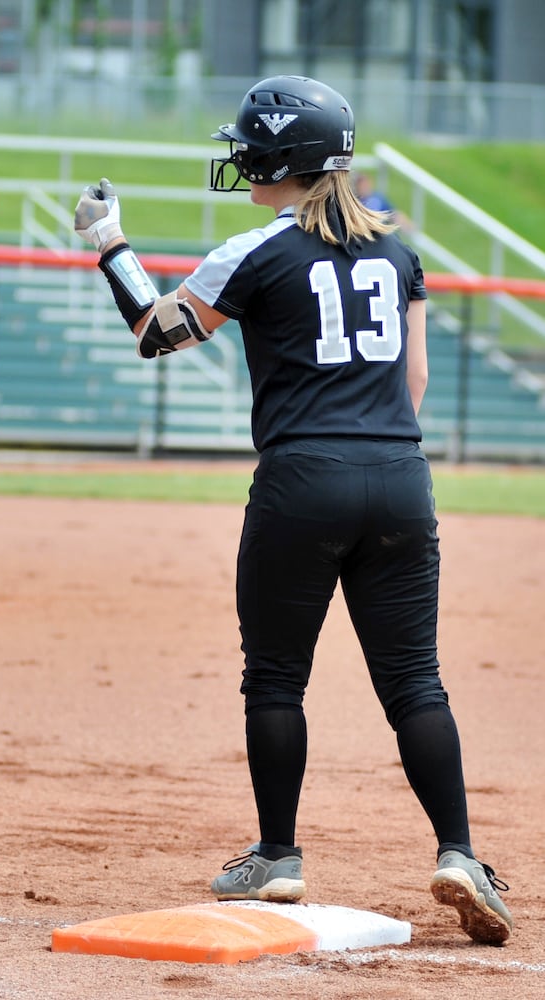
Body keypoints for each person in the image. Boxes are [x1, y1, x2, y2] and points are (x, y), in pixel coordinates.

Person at [73, 74, 512, 945]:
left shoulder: (254, 249)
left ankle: (278, 854)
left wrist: (110, 243)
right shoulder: (397, 250)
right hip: (399, 473)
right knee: (415, 681)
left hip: (301, 477)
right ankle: (460, 852)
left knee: (276, 676)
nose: (240, 157)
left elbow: (158, 332)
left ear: (280, 155)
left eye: (248, 145)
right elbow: (414, 384)